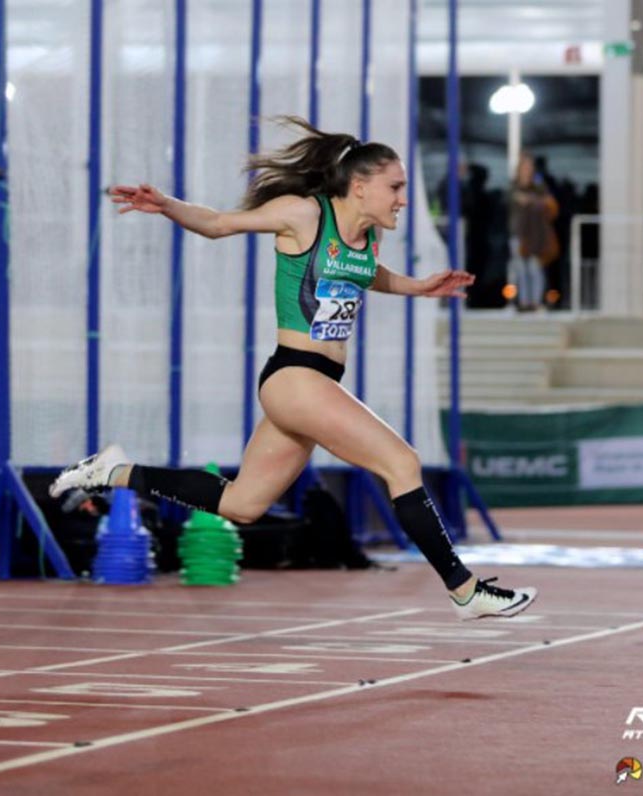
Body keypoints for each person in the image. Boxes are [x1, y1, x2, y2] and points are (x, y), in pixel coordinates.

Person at [51, 116, 536, 620]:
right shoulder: (304, 214)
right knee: (403, 464)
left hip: (317, 385)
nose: (403, 199)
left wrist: (416, 286)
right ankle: (464, 589)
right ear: (360, 185)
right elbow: (219, 224)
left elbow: (364, 274)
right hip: (293, 378)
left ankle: (111, 470)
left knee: (242, 505)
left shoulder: (369, 239)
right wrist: (168, 206)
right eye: (395, 187)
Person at [508, 153, 559, 311]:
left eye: (529, 167)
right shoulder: (513, 187)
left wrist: (531, 200)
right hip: (519, 234)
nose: (526, 170)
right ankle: (524, 302)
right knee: (521, 269)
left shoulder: (539, 187)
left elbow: (548, 204)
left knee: (534, 268)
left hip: (536, 235)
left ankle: (535, 302)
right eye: (524, 167)